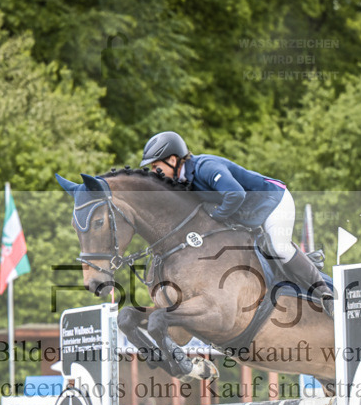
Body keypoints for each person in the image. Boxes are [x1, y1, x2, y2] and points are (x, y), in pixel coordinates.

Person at [140, 131, 333, 311]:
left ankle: (325, 294)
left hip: (274, 201)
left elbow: (235, 194)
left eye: (156, 167)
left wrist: (216, 216)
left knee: (279, 247)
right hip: (246, 213)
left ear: (173, 160)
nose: (154, 172)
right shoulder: (181, 182)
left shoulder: (205, 167)